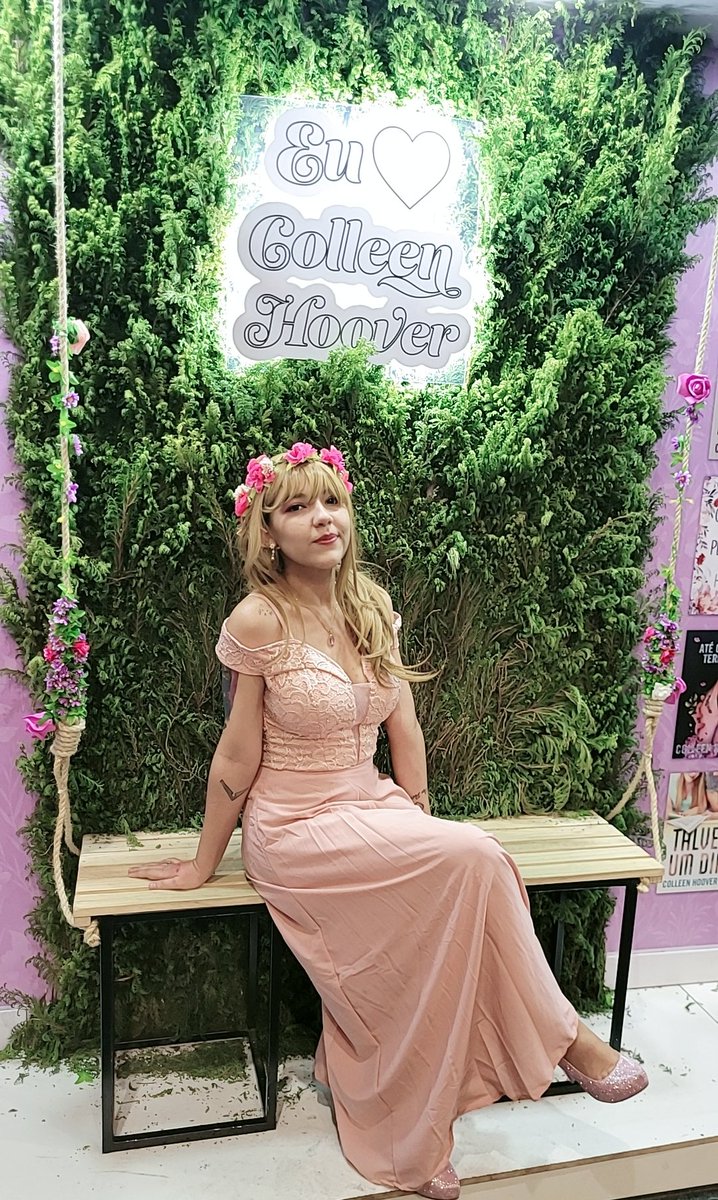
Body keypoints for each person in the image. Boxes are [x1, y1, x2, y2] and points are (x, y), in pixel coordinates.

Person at [129, 442, 649, 1198]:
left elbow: (403, 724)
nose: (322, 519)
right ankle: (565, 1042)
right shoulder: (260, 618)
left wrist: (420, 822)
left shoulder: (370, 605)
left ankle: (427, 1098)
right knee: (475, 859)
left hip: (371, 805)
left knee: (468, 860)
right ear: (268, 532)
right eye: (298, 507)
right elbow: (236, 756)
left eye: (332, 502)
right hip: (295, 827)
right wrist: (203, 864)